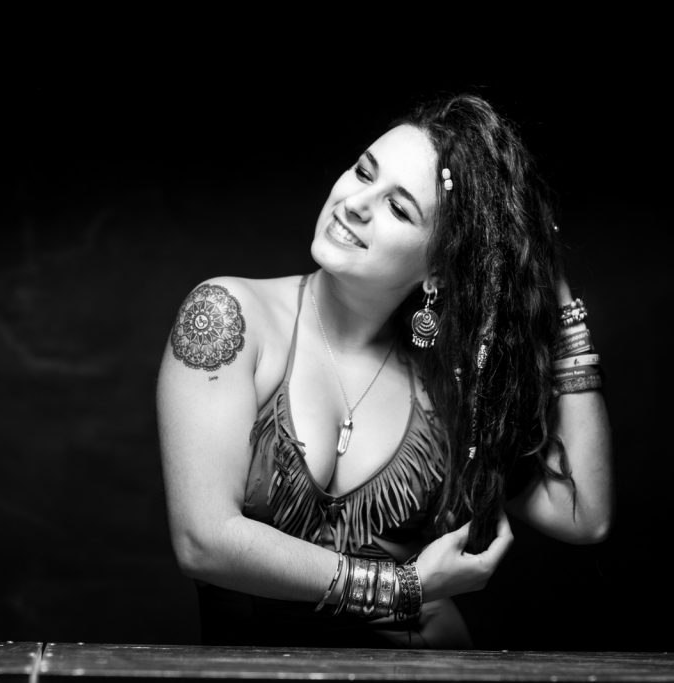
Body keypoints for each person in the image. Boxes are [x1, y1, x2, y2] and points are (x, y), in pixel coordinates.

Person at [156, 93, 613, 649]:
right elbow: (204, 541)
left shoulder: (445, 383)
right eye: (362, 172)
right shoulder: (226, 316)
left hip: (426, 670)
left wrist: (558, 299)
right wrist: (404, 588)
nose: (354, 203)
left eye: (398, 208)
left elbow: (584, 516)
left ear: (438, 270)